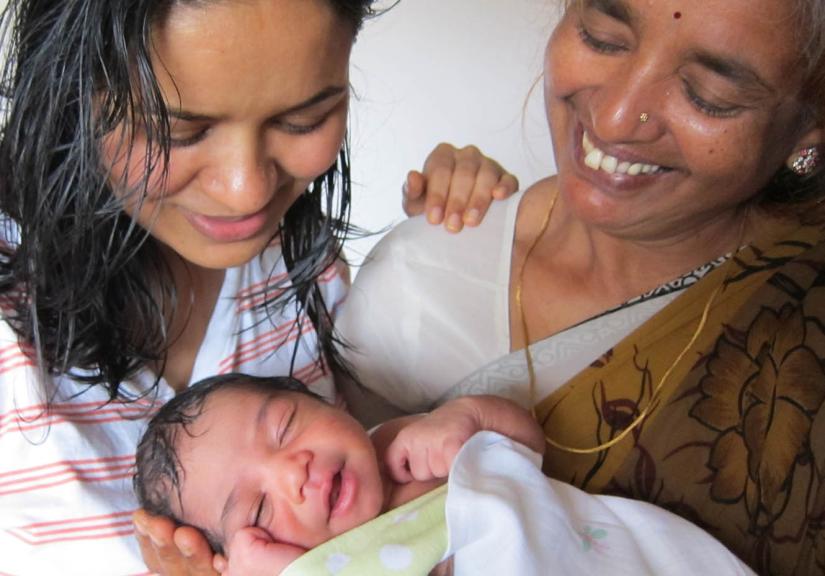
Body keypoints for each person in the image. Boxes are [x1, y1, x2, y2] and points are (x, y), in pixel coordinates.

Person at [0, 1, 517, 575]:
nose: (247, 193)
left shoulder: (302, 266)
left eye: (302, 121)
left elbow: (404, 463)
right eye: (181, 131)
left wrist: (453, 242)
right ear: (69, 90)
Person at [337, 0, 825, 574]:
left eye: (706, 97)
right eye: (602, 39)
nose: (617, 118)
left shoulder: (801, 302)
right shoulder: (421, 285)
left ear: (806, 134)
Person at [134, 373, 750, 576]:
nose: (292, 470)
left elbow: (522, 450)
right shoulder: (317, 562)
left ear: (329, 403)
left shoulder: (400, 444)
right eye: (259, 510)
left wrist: (461, 420)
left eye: (286, 426)